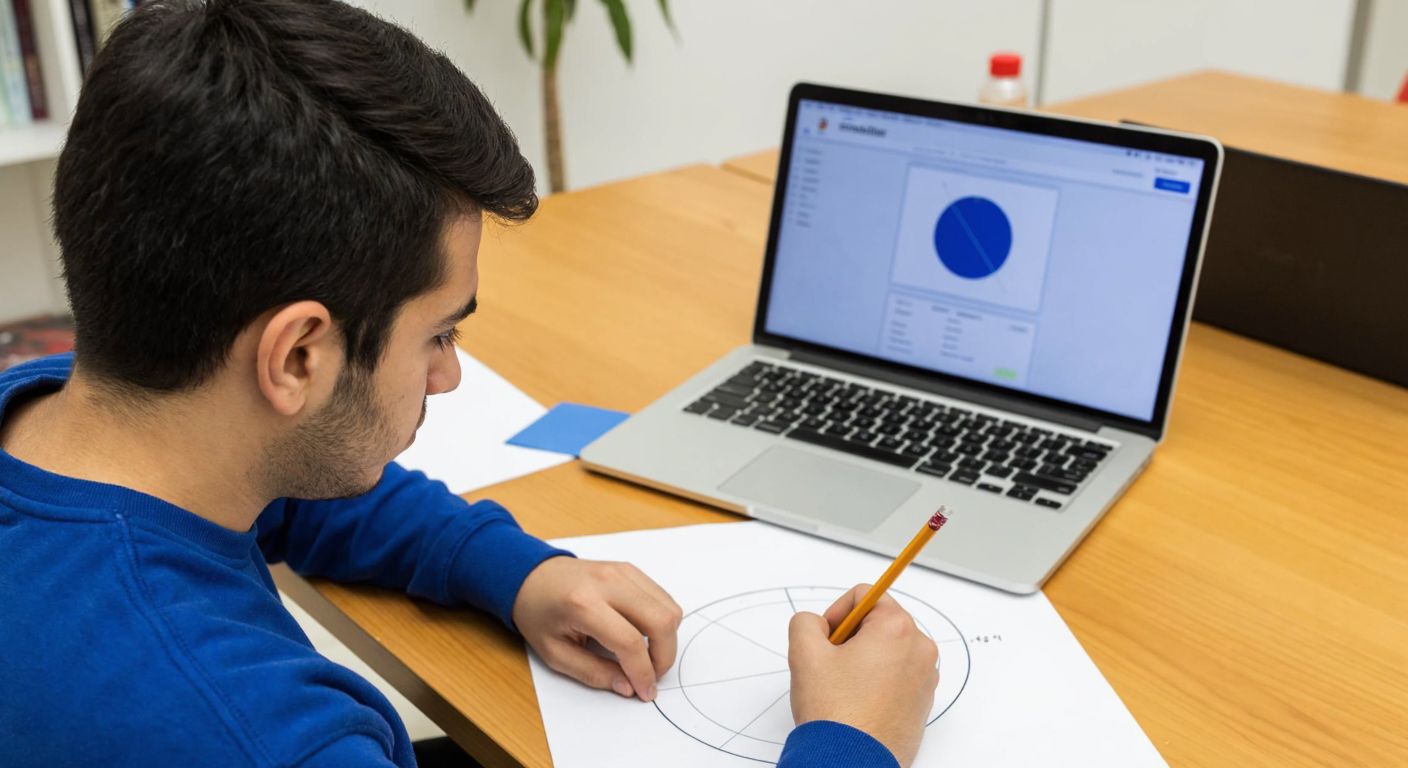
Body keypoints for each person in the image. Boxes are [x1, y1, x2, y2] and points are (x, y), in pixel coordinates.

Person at [0, 0, 939, 766]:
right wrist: (849, 743)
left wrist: (518, 571)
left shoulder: (61, 409)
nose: (449, 375)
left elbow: (278, 488)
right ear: (296, 358)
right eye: (439, 334)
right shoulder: (267, 736)